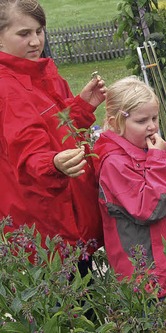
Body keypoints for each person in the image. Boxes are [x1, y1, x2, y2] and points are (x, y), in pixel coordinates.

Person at [0, 0, 105, 269]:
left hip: (71, 216)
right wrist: (53, 164)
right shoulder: (7, 88)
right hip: (45, 225)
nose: (35, 41)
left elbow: (58, 128)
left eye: (39, 31)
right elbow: (28, 150)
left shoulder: (43, 71)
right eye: (24, 34)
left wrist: (81, 107)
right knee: (67, 304)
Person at [93, 76, 166, 299]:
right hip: (147, 278)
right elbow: (150, 209)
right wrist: (159, 161)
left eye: (154, 118)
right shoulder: (114, 163)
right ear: (116, 123)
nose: (152, 126)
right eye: (142, 121)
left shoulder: (149, 152)